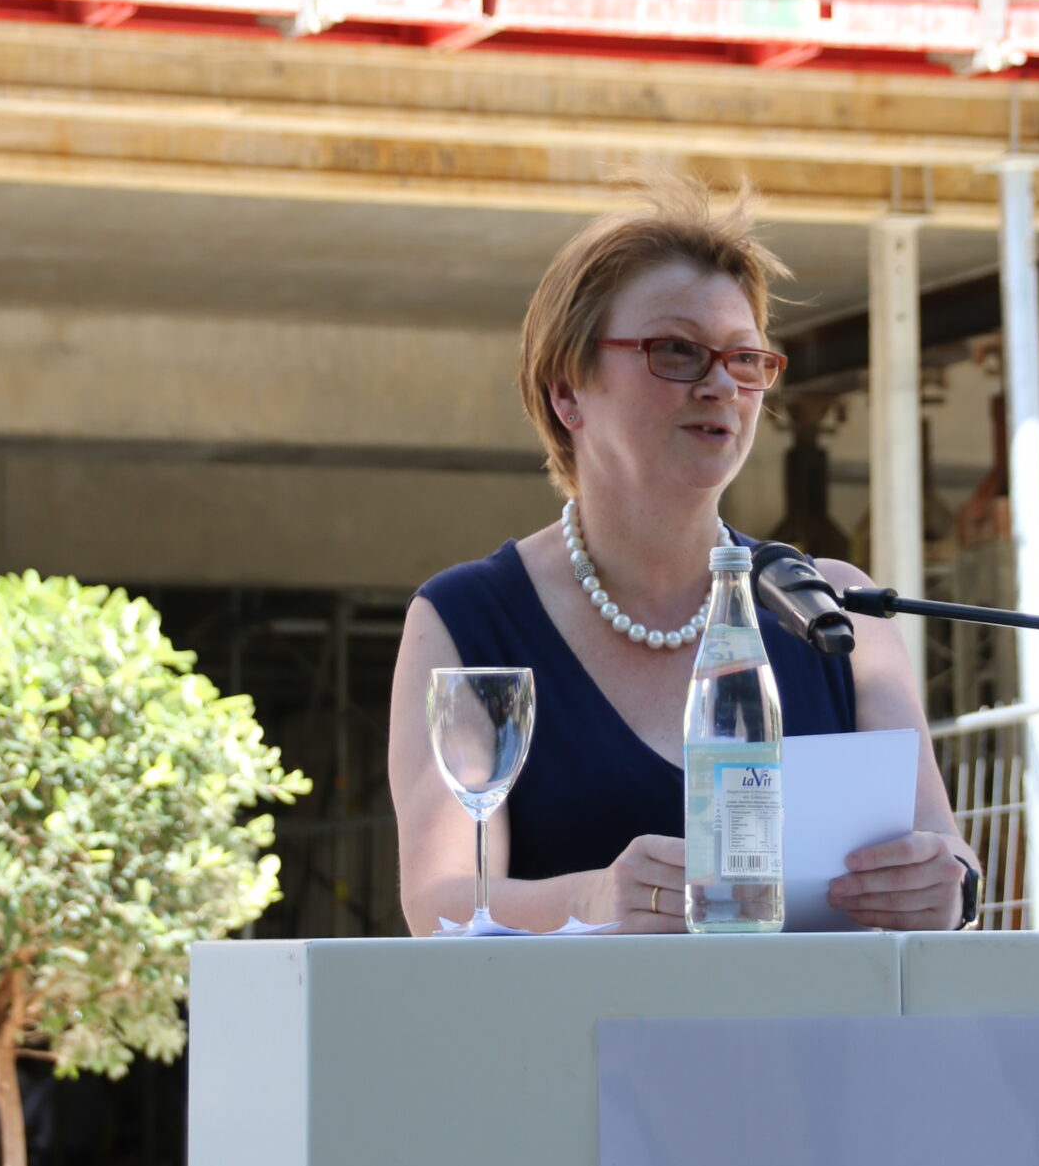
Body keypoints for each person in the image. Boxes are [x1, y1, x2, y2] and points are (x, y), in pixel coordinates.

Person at [390, 178, 980, 933]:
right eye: (676, 351)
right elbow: (438, 903)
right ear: (567, 390)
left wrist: (947, 889)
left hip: (817, 1048)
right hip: (575, 1049)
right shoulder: (466, 618)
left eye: (744, 359)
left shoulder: (836, 608)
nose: (719, 385)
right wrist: (590, 899)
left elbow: (947, 856)